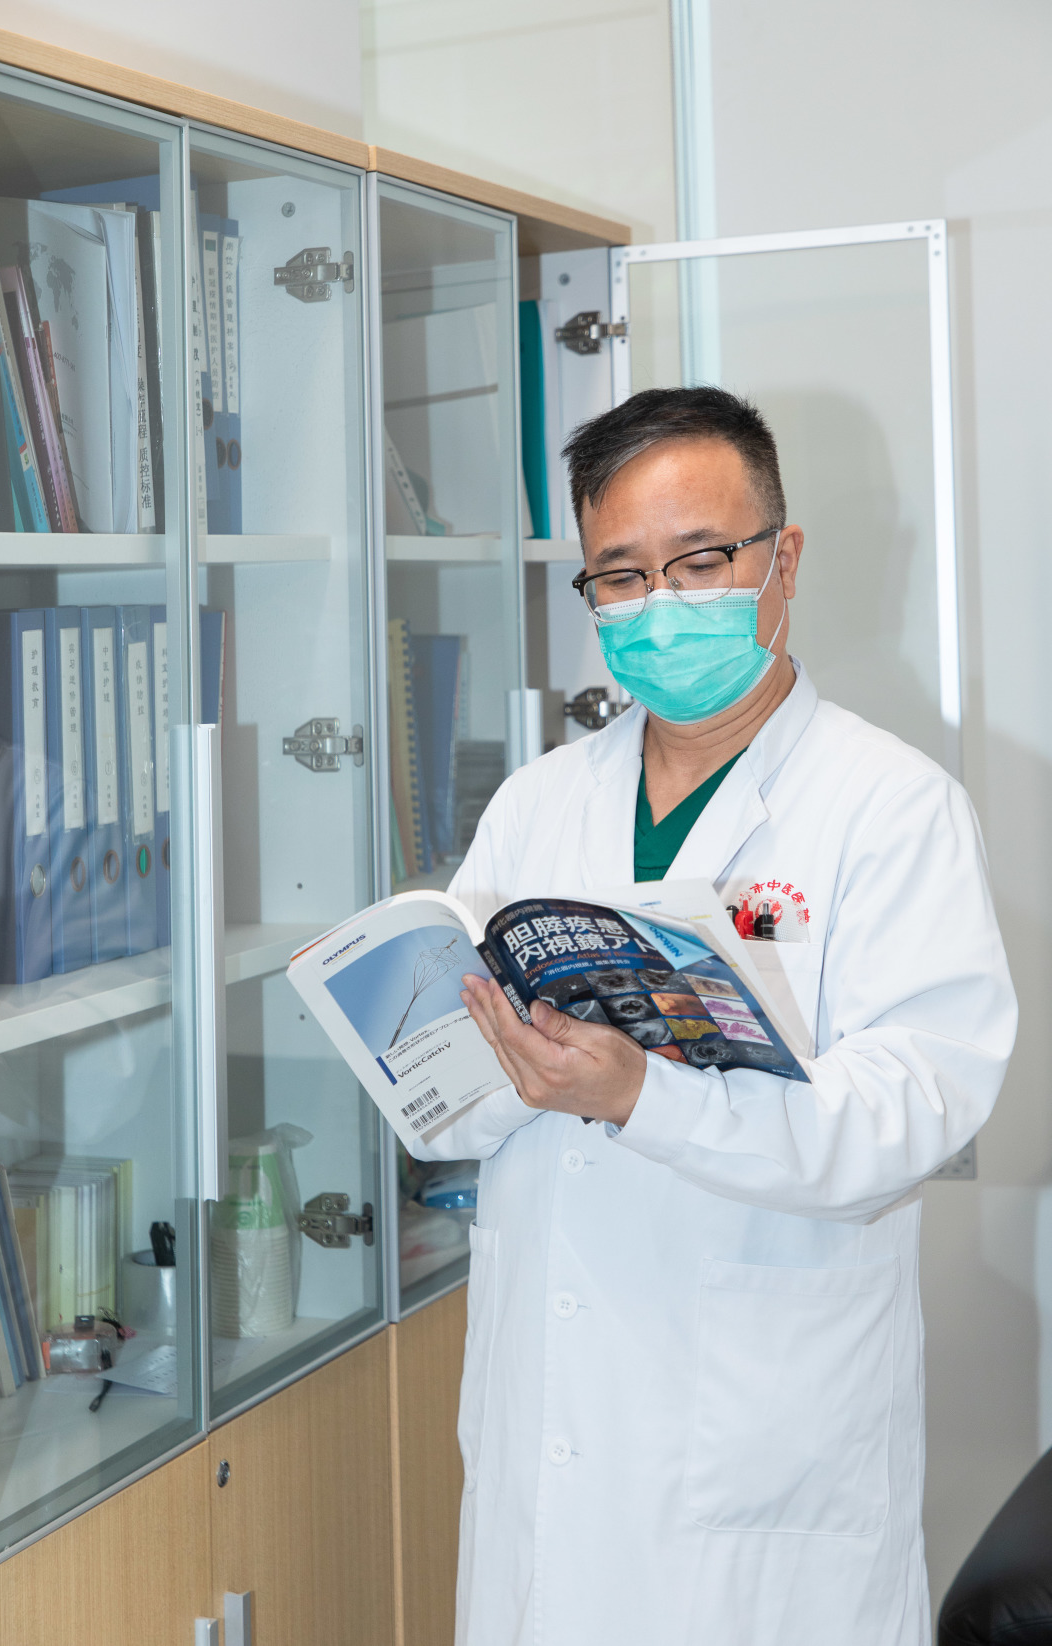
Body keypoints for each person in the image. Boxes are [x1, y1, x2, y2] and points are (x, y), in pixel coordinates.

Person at [411, 387, 1016, 1646]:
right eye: (620, 576)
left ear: (782, 558)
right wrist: (445, 1053)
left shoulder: (889, 806)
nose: (660, 605)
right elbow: (454, 1104)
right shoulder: (538, 802)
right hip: (551, 1429)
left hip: (760, 1451)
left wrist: (644, 1092)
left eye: (700, 562)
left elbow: (913, 1108)